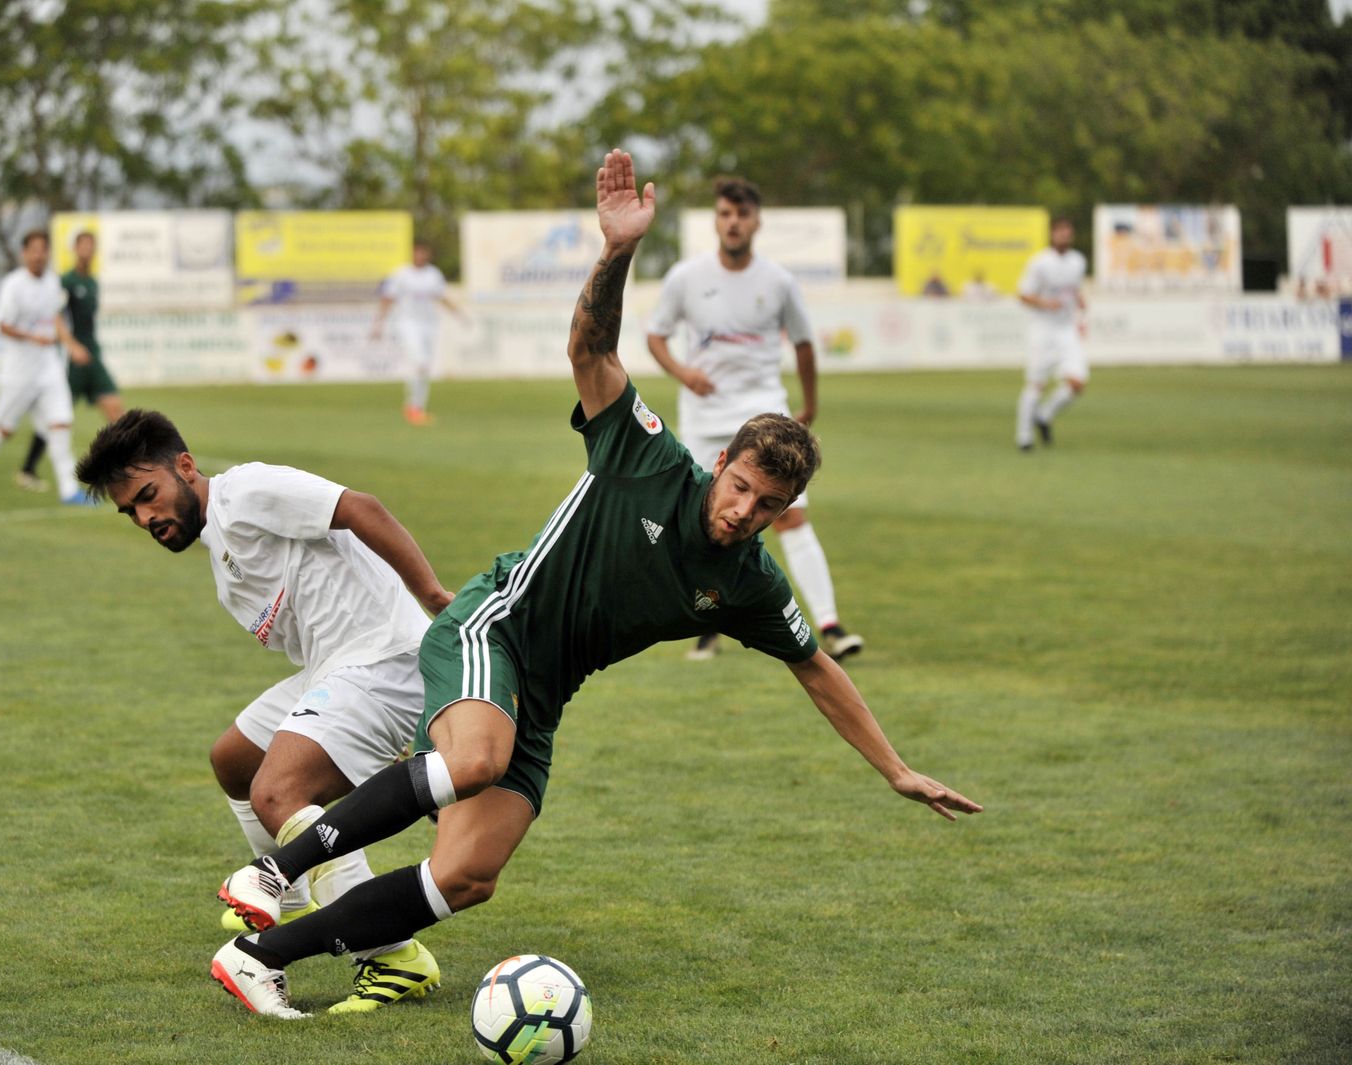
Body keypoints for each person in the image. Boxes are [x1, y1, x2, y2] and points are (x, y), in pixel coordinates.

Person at [208, 149, 981, 1020]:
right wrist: (615, 254)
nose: (742, 512)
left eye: (767, 506)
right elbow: (591, 347)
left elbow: (815, 668)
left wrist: (897, 769)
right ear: (718, 461)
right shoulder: (645, 453)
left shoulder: (751, 582)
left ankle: (260, 956)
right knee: (473, 759)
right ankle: (276, 869)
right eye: (738, 487)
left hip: (542, 694)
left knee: (467, 875)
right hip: (491, 628)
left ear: (785, 508)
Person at [75, 409, 455, 1015]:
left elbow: (362, 508)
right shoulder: (223, 563)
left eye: (148, 496)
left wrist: (433, 598)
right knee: (234, 760)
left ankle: (391, 954)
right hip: (337, 669)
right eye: (131, 512)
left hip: (385, 657)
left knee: (279, 791)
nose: (146, 518)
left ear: (186, 467)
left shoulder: (246, 493)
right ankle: (299, 899)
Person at [646, 177, 863, 663]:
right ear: (717, 220)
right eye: (725, 214)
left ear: (756, 222)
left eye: (742, 215)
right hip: (705, 419)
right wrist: (684, 373)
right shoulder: (685, 277)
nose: (734, 223)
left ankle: (829, 624)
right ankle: (705, 626)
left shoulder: (779, 281)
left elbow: (805, 344)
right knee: (705, 521)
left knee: (791, 517)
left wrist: (808, 406)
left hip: (765, 413)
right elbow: (656, 336)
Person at [0, 230, 90, 505]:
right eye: (34, 249)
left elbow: (55, 318)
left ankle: (69, 489)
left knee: (61, 423)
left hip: (48, 367)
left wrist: (70, 344)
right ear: (25, 253)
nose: (39, 255)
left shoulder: (52, 282)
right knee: (3, 428)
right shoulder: (13, 285)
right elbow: (3, 325)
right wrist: (32, 338)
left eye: (44, 249)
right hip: (20, 370)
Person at [16, 231, 123, 493]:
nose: (87, 249)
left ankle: (120, 470)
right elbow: (54, 315)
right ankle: (28, 469)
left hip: (92, 356)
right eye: (83, 245)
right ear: (75, 249)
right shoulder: (64, 281)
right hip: (71, 361)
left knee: (116, 410)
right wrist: (71, 345)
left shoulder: (94, 283)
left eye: (91, 245)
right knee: (56, 418)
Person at [370, 240, 466, 426]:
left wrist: (459, 314)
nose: (420, 256)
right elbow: (388, 298)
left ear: (428, 255)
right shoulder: (401, 274)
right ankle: (413, 407)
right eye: (417, 252)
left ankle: (417, 407)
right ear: (412, 254)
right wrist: (378, 324)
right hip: (408, 324)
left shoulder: (433, 274)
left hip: (429, 325)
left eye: (424, 253)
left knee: (425, 367)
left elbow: (441, 297)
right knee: (419, 362)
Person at [1015, 218, 1088, 451]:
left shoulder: (1078, 261)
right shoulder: (1040, 263)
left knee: (1077, 383)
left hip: (1066, 330)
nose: (1064, 236)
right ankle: (1024, 437)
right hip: (1042, 330)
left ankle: (1044, 415)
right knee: (1036, 384)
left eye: (1068, 232)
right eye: (1060, 232)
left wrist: (1081, 308)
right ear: (1052, 234)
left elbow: (1075, 290)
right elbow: (1024, 295)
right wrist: (1046, 303)